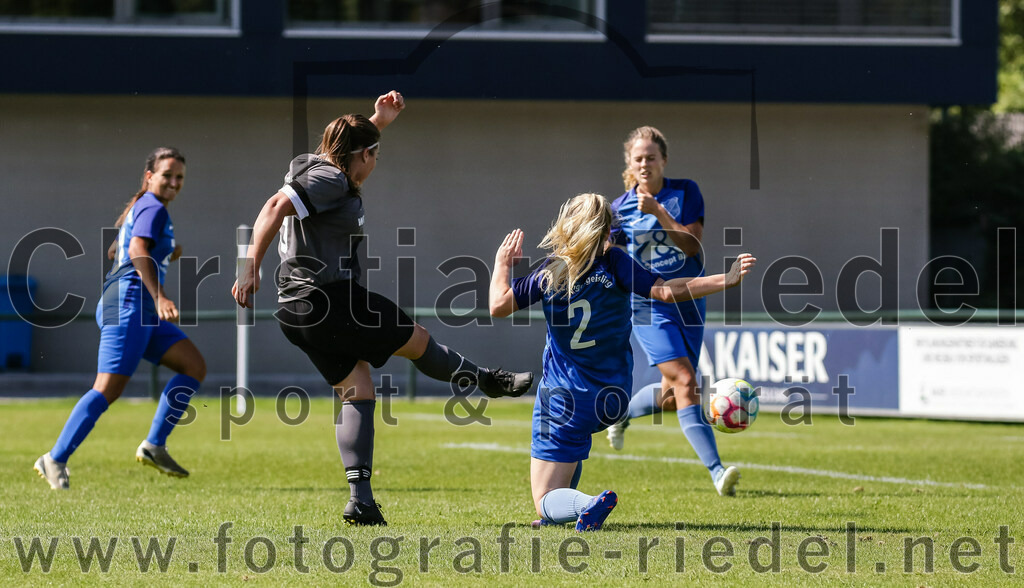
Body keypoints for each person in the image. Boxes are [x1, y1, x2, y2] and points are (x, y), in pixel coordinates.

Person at [231, 91, 534, 527]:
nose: (375, 163)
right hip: (328, 299)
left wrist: (378, 121)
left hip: (295, 310)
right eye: (374, 155)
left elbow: (334, 158)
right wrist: (248, 267)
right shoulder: (333, 179)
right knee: (419, 342)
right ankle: (488, 380)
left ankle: (361, 501)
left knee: (357, 389)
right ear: (360, 155)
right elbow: (275, 206)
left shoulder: (316, 165)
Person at [489, 193, 755, 530]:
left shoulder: (551, 270)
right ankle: (566, 513)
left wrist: (502, 263)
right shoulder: (616, 262)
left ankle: (585, 504)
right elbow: (666, 291)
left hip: (564, 398)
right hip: (613, 398)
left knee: (543, 499)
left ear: (566, 225)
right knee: (569, 452)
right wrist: (725, 279)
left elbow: (498, 306)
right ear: (606, 230)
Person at [34, 147, 207, 490]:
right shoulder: (153, 208)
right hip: (129, 306)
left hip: (137, 309)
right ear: (149, 177)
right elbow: (135, 249)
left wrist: (166, 251)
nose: (174, 182)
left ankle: (154, 445)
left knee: (193, 366)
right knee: (107, 389)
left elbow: (115, 250)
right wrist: (160, 296)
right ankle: (54, 458)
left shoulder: (144, 206)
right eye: (167, 175)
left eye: (180, 177)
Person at [602, 125, 742, 496]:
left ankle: (621, 415)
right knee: (685, 380)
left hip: (690, 302)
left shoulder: (686, 192)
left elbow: (691, 247)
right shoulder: (618, 210)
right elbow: (610, 260)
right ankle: (717, 471)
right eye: (638, 158)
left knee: (671, 394)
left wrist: (658, 211)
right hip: (648, 305)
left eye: (651, 157)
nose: (644, 164)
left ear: (663, 160)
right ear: (629, 164)